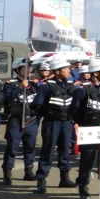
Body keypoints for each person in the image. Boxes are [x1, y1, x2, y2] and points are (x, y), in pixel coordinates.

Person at [70, 58, 100, 199]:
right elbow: (74, 110)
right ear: (95, 73)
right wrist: (76, 123)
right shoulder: (82, 91)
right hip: (89, 130)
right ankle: (83, 187)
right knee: (88, 160)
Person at [32, 57, 77, 192]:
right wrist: (49, 114)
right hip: (52, 123)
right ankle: (41, 180)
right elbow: (37, 105)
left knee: (65, 150)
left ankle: (64, 178)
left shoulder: (71, 85)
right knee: (48, 151)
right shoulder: (46, 87)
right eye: (66, 69)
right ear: (57, 71)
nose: (69, 71)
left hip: (67, 122)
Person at [2, 59, 39, 184]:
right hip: (16, 120)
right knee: (12, 148)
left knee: (30, 147)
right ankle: (7, 173)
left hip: (31, 120)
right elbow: (7, 99)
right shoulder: (10, 84)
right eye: (26, 68)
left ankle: (29, 171)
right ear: (18, 70)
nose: (29, 70)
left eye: (30, 68)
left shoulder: (34, 85)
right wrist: (19, 87)